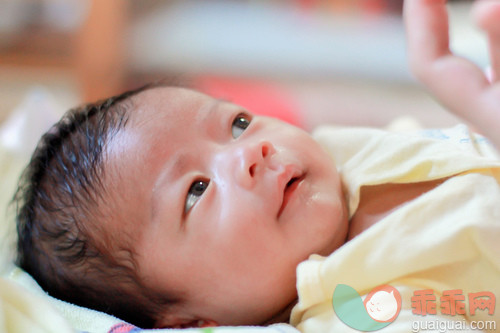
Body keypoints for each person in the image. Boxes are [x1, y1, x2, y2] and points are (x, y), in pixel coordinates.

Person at [12, 0, 500, 330]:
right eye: (196, 190)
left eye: (238, 123)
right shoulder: (356, 314)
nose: (250, 152)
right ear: (191, 322)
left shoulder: (341, 150)